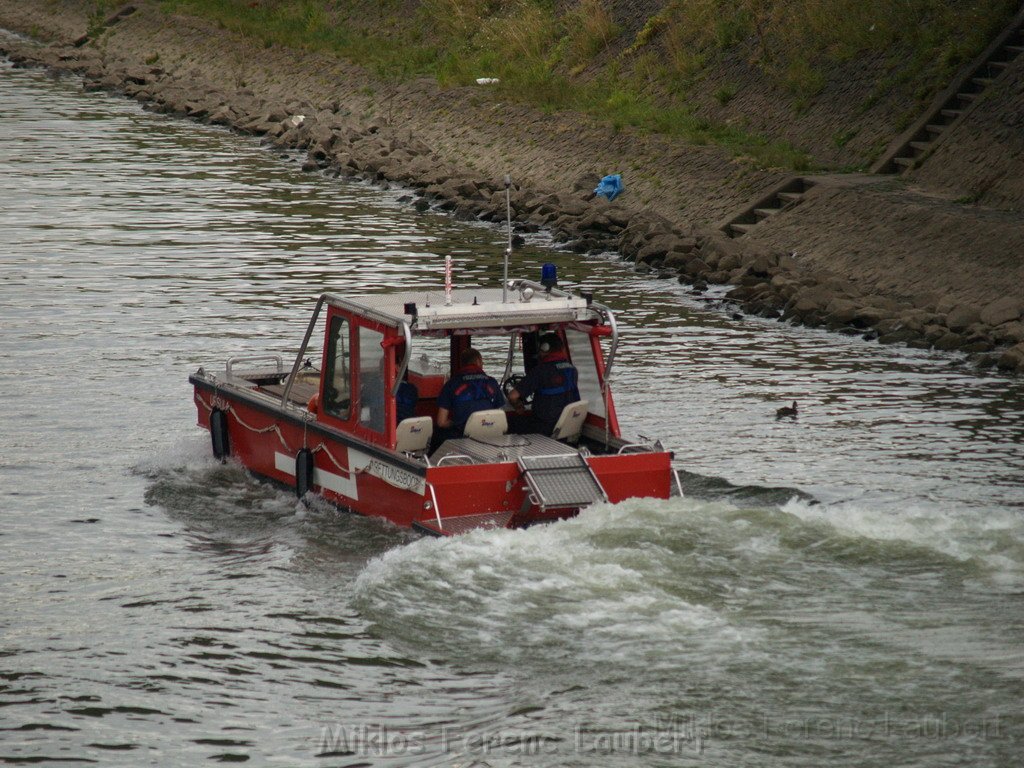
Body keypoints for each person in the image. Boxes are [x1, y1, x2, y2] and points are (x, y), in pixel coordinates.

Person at [507, 334, 580, 436]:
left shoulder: (540, 371)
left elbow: (513, 396)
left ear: (544, 348)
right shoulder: (573, 369)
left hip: (544, 426)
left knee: (510, 422)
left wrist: (519, 407)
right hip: (568, 424)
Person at [435, 348, 505, 443]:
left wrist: (457, 423)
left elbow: (441, 422)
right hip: (490, 437)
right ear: (478, 361)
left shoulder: (451, 384)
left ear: (462, 364)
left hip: (461, 438)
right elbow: (499, 415)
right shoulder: (492, 382)